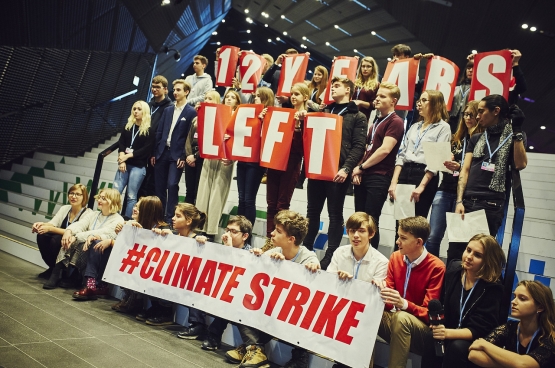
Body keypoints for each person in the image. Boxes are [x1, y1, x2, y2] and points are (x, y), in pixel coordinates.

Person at [225, 210, 320, 368]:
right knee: (239, 298)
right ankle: (255, 349)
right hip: (271, 309)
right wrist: (257, 259)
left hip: (291, 313)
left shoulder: (308, 258)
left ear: (291, 239)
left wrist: (308, 269)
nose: (272, 233)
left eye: (278, 231)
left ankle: (255, 348)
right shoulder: (274, 252)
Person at [303, 77, 367, 270]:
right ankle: (306, 250)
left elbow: (358, 146)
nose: (333, 89)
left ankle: (330, 256)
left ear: (348, 90)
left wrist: (346, 168)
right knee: (312, 213)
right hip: (318, 170)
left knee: (335, 215)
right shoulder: (324, 111)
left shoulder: (358, 116)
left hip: (338, 171)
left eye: (337, 86)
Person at [454, 95, 527, 260]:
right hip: (466, 203)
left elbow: (520, 164)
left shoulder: (515, 137)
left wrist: (517, 131)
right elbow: (464, 171)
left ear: (496, 111)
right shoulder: (476, 138)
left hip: (491, 205)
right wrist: (459, 201)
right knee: (456, 255)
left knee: (478, 257)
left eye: (481, 111)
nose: (477, 116)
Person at [375, 216, 445, 368]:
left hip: (421, 329)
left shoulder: (436, 267)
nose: (397, 242)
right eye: (398, 236)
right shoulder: (395, 257)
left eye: (403, 238)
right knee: (367, 309)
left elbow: (428, 314)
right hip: (396, 320)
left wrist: (404, 304)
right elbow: (388, 301)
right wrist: (378, 289)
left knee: (401, 318)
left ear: (419, 242)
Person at [429, 234, 505, 368]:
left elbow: (479, 330)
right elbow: (441, 305)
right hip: (451, 330)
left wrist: (447, 333)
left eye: (477, 255)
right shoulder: (454, 270)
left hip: (476, 341)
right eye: (468, 250)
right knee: (432, 338)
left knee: (457, 346)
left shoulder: (493, 287)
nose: (469, 256)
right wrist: (438, 325)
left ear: (488, 260)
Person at [74, 196, 169, 301]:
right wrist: (108, 237)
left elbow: (142, 250)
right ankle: (92, 285)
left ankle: (129, 299)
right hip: (128, 260)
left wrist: (112, 242)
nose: (134, 208)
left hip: (145, 266)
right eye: (135, 205)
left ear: (148, 211)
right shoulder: (130, 222)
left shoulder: (162, 228)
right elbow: (118, 240)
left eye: (139, 207)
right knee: (97, 244)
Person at [388, 90, 451, 245]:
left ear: (435, 104)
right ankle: (398, 263)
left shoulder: (443, 127)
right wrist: (394, 182)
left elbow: (436, 161)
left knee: (416, 225)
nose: (419, 103)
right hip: (405, 172)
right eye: (419, 100)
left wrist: (422, 186)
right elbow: (401, 155)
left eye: (424, 100)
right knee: (401, 223)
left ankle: (413, 264)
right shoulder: (415, 126)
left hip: (424, 175)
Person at [329, 212, 388, 368]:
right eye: (351, 231)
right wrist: (338, 278)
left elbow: (375, 300)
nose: (355, 235)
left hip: (365, 314)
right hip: (339, 309)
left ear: (371, 234)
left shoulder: (381, 261)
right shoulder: (339, 253)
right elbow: (327, 283)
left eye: (361, 231)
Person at [352, 82, 405, 249]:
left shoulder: (396, 122)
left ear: (393, 101)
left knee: (370, 221)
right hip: (366, 173)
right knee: (359, 219)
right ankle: (357, 255)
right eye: (377, 95)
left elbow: (385, 150)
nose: (377, 99)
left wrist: (361, 168)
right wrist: (360, 169)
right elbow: (368, 149)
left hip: (380, 176)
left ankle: (371, 260)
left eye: (383, 96)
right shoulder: (376, 121)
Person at [427, 100, 483, 257]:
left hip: (466, 195)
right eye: (465, 114)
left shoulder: (482, 141)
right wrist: (444, 159)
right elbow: (438, 164)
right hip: (445, 189)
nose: (467, 118)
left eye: (471, 115)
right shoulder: (455, 139)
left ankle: (452, 274)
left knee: (457, 241)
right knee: (432, 237)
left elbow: (480, 170)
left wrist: (459, 166)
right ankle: (432, 272)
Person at [139, 203, 207, 325]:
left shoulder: (197, 239)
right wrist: (158, 237)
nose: (173, 218)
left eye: (178, 216)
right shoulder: (171, 235)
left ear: (188, 221)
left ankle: (166, 312)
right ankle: (156, 307)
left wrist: (203, 242)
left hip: (184, 279)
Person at [43, 188, 124, 290]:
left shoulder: (118, 219)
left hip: (101, 250)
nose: (99, 200)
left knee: (82, 243)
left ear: (112, 201)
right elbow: (80, 224)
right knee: (71, 240)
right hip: (85, 243)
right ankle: (57, 271)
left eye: (103, 198)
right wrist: (69, 232)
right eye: (99, 197)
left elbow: (101, 233)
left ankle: (79, 279)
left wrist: (76, 237)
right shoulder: (94, 214)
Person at [469, 280, 555, 368]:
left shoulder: (550, 337)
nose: (513, 302)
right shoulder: (509, 327)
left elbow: (524, 364)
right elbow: (473, 354)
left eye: (522, 299)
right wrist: (513, 364)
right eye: (514, 296)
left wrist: (484, 344)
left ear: (540, 307)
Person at [264, 83, 308, 249]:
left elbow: (301, 149)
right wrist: (264, 119)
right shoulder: (283, 114)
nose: (293, 96)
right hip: (275, 160)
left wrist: (298, 127)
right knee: (270, 204)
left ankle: (279, 242)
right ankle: (270, 240)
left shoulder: (307, 117)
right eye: (292, 93)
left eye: (297, 93)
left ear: (305, 96)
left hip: (291, 163)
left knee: (282, 205)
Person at [200, 215, 253, 350]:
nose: (228, 234)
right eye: (227, 230)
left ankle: (214, 334)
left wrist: (229, 250)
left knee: (230, 298)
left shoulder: (251, 255)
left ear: (245, 236)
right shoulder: (222, 248)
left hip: (241, 296)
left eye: (233, 231)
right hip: (223, 291)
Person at [196, 89, 241, 242]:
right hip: (210, 156)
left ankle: (210, 230)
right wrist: (200, 114)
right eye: (227, 96)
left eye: (232, 97)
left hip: (225, 159)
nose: (228, 99)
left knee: (217, 194)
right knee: (203, 192)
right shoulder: (216, 114)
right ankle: (199, 226)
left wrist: (232, 148)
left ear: (237, 101)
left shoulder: (239, 117)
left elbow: (243, 140)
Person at [151, 79, 197, 222]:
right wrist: (154, 152)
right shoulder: (168, 109)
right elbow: (159, 132)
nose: (175, 92)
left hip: (177, 154)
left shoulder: (191, 112)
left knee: (172, 185)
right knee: (159, 187)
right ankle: (159, 217)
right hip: (162, 151)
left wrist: (184, 155)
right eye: (174, 89)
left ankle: (172, 217)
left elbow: (189, 137)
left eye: (178, 90)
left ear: (186, 92)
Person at [32, 184, 91, 279]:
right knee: (42, 235)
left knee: (55, 240)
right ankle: (52, 268)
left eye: (78, 194)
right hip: (62, 239)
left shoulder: (88, 213)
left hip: (75, 243)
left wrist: (51, 229)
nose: (73, 196)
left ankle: (60, 271)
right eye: (71, 193)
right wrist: (40, 224)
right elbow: (53, 223)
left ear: (84, 197)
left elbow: (76, 233)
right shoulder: (65, 208)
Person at [236, 87, 274, 228]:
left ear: (265, 98)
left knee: (248, 199)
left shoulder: (271, 115)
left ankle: (247, 232)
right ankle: (238, 230)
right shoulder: (250, 113)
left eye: (258, 96)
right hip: (243, 158)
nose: (255, 97)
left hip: (256, 162)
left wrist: (263, 121)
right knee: (241, 199)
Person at [113, 100, 153, 218]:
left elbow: (146, 150)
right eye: (134, 109)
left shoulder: (149, 130)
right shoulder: (128, 127)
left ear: (144, 111)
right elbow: (121, 143)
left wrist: (128, 156)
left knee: (131, 196)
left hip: (138, 167)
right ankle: (111, 216)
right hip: (124, 164)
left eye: (139, 109)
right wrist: (122, 159)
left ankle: (127, 219)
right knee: (115, 192)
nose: (136, 111)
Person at [184, 91, 221, 204]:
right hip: (190, 158)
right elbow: (189, 138)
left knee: (198, 192)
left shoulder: (218, 120)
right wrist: (189, 155)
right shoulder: (196, 118)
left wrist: (196, 156)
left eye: (210, 98)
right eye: (205, 98)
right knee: (189, 191)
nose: (206, 101)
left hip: (203, 159)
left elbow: (213, 142)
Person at [140, 75, 173, 197]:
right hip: (143, 149)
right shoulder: (148, 105)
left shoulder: (170, 107)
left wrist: (156, 152)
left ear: (165, 89)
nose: (154, 89)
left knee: (154, 184)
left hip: (158, 151)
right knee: (141, 185)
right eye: (153, 87)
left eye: (158, 87)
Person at [448, 60, 474, 133]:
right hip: (452, 120)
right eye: (468, 68)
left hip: (468, 121)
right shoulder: (456, 87)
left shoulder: (478, 89)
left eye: (474, 68)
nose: (470, 70)